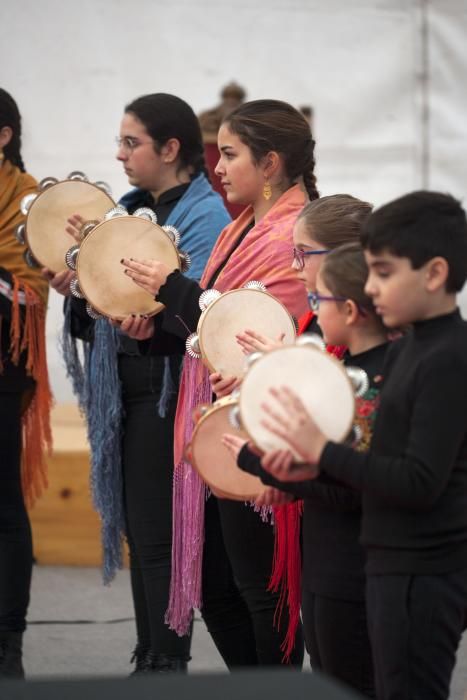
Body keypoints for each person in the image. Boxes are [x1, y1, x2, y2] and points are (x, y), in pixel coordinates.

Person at [122, 99, 316, 668]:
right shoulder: (241, 226)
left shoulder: (292, 238)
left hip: (257, 425)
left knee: (260, 591)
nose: (219, 166)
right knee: (219, 588)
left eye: (230, 154)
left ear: (272, 162)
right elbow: (203, 332)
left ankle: (273, 687)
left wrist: (173, 286)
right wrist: (150, 327)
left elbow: (249, 329)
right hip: (213, 421)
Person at [257, 191, 467, 700]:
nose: (371, 288)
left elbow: (416, 481)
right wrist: (292, 466)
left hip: (423, 573)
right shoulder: (416, 347)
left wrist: (319, 452)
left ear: (435, 274)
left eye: (384, 272)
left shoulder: (445, 358)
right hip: (391, 564)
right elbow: (374, 462)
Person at [49, 93, 230, 674]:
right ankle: (150, 655)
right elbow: (104, 311)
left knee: (160, 539)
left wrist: (147, 320)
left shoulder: (205, 219)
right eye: (121, 142)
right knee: (142, 532)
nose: (120, 153)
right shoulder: (124, 211)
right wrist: (81, 287)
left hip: (169, 390)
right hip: (125, 386)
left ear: (170, 148)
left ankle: (165, 662)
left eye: (132, 142)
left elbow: (201, 317)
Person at [226, 241, 389, 697]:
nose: (312, 311)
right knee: (326, 670)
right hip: (327, 560)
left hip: (354, 572)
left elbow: (355, 485)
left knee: (350, 681)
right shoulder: (342, 367)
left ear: (352, 309)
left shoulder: (376, 379)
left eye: (319, 301)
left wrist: (265, 467)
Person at [0, 88, 52, 678]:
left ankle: (7, 641)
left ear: (4, 135)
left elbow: (29, 292)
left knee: (4, 508)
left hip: (4, 368)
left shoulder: (28, 200)